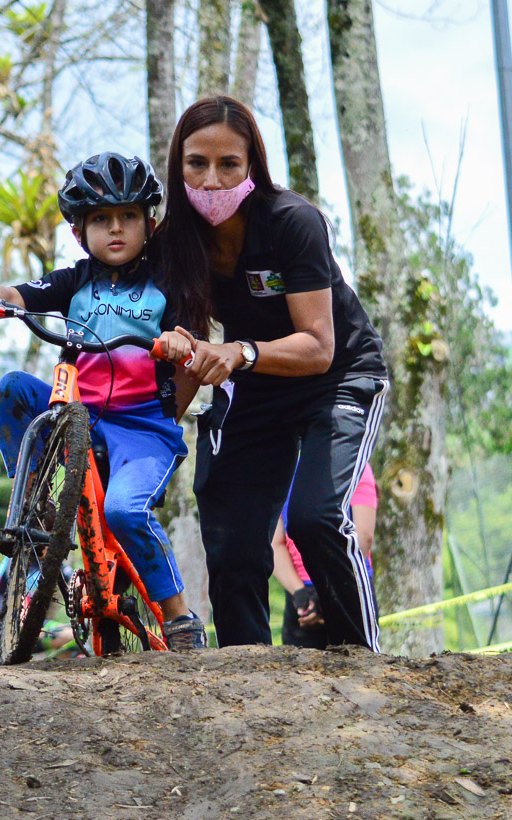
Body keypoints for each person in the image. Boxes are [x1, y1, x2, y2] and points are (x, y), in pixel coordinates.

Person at [160, 96, 389, 650]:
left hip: (337, 377)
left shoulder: (292, 222)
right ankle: (246, 674)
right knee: (232, 539)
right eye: (196, 164)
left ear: (252, 167)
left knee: (316, 519)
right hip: (254, 387)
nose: (211, 181)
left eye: (229, 165)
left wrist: (240, 351)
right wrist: (154, 432)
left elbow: (319, 346)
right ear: (177, 166)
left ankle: (364, 661)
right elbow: (185, 359)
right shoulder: (174, 243)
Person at [0, 152, 208, 652]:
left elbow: (192, 346)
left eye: (128, 216)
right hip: (77, 415)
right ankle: (36, 501)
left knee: (124, 512)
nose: (115, 229)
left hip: (142, 426)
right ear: (78, 232)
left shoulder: (167, 285)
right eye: (100, 219)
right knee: (10, 389)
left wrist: (180, 343)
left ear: (149, 223)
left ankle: (180, 617)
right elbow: (22, 293)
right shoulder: (73, 281)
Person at [272, 464, 377, 648]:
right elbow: (364, 535)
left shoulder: (282, 466)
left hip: (303, 594)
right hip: (347, 585)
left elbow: (274, 543)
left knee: (299, 665)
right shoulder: (353, 462)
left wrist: (301, 594)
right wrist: (321, 592)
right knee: (357, 662)